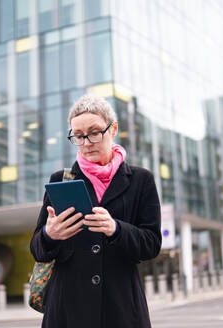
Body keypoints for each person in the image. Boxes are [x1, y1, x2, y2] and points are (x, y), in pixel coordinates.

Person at [30, 94, 161, 328]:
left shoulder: (141, 180)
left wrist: (117, 229)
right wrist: (50, 235)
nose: (86, 142)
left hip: (121, 309)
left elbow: (151, 243)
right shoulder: (60, 181)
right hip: (67, 311)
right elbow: (38, 250)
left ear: (113, 129)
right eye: (78, 136)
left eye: (94, 132)